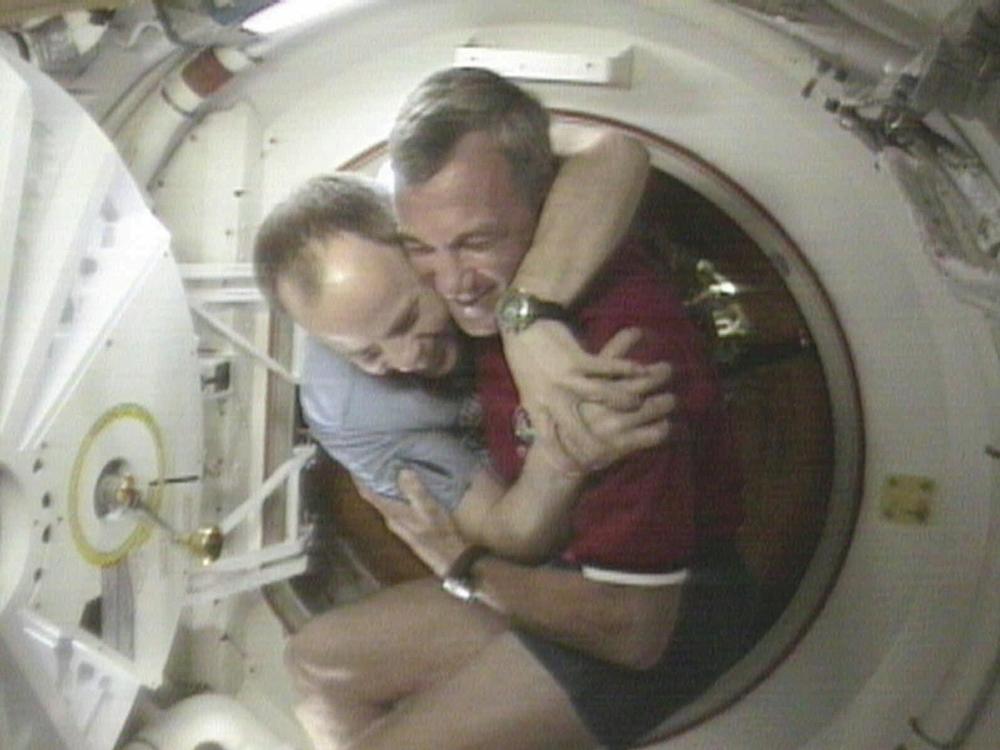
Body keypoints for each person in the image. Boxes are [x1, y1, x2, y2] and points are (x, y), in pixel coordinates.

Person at [268, 68, 756, 750]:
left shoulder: (605, 362)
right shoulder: (485, 316)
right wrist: (526, 319)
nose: (452, 280)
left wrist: (465, 567)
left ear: (542, 205)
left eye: (475, 242)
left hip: (671, 613)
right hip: (558, 573)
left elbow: (634, 630)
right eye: (425, 251)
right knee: (313, 660)